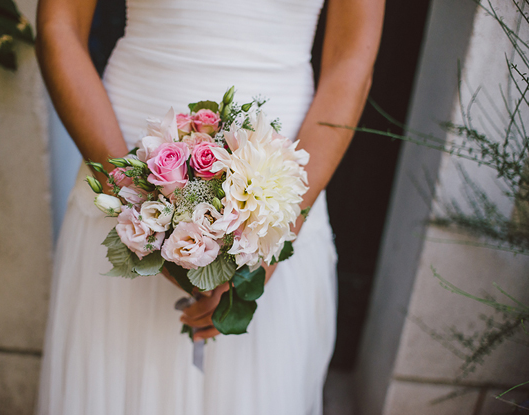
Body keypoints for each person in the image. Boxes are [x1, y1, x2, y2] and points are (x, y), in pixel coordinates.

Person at [35, 0, 384, 413]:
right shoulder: (127, 194)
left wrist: (278, 233)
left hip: (282, 186)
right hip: (120, 156)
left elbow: (351, 60)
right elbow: (60, 25)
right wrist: (133, 201)